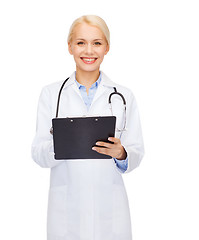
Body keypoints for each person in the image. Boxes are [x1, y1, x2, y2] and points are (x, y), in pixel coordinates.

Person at [31, 15, 144, 240]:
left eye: (97, 43)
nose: (89, 51)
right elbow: (38, 153)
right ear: (70, 47)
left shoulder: (123, 96)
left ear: (107, 48)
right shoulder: (51, 94)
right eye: (81, 42)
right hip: (66, 211)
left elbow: (137, 151)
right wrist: (62, 143)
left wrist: (121, 153)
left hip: (109, 211)